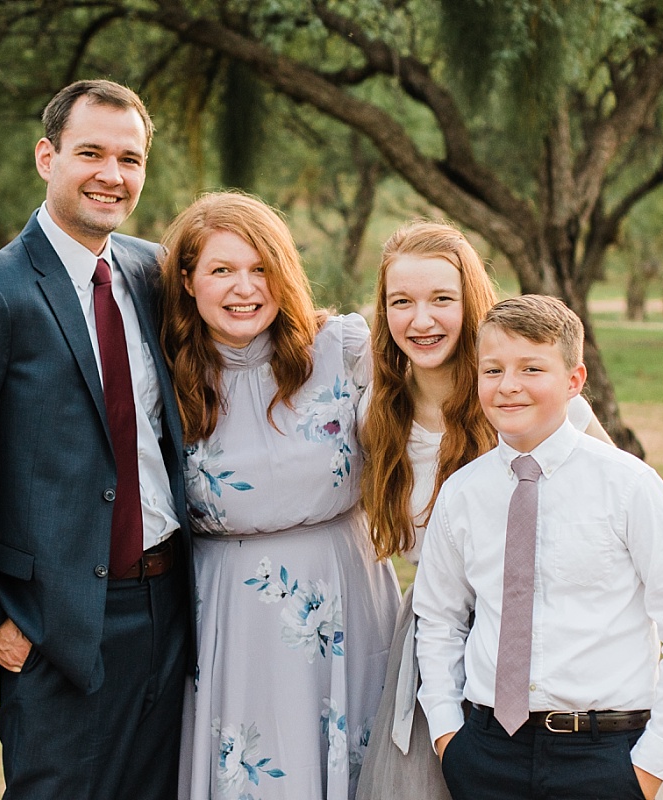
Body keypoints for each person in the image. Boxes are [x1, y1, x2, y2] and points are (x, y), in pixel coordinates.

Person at [0, 80, 192, 800]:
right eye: (90, 153)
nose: (111, 175)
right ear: (46, 156)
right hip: (54, 627)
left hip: (171, 607)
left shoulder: (153, 272)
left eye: (129, 158)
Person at [414, 294, 663, 800]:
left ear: (574, 381)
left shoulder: (630, 487)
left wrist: (648, 766)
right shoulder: (462, 493)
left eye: (532, 368)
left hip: (605, 754)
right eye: (493, 370)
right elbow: (439, 620)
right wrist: (450, 736)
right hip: (486, 752)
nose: (508, 386)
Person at [160, 191, 400, 800]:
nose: (245, 287)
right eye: (222, 270)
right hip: (230, 614)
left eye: (261, 267)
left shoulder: (341, 349)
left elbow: (442, 406)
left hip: (347, 596)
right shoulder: (165, 374)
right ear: (188, 281)